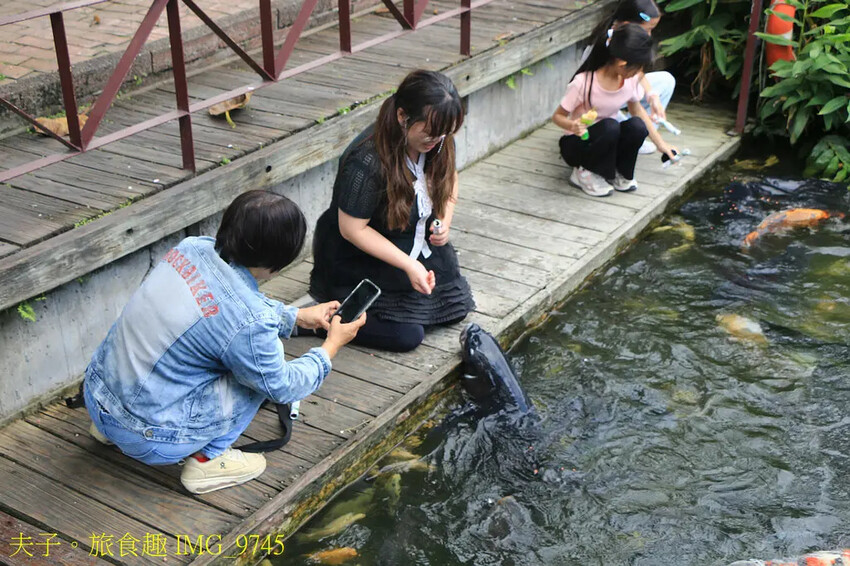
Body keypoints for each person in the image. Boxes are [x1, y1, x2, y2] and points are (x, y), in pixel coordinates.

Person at [84, 191, 365, 494]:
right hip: (151, 440)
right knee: (257, 373)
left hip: (97, 397)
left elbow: (225, 306)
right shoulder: (251, 324)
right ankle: (207, 461)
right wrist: (330, 348)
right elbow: (281, 385)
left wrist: (294, 316)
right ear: (282, 259)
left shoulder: (190, 249)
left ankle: (108, 431)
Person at [309, 69, 475, 353]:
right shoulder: (367, 160)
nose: (438, 139)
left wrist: (445, 221)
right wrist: (408, 265)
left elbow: (451, 178)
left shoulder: (440, 139)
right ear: (402, 116)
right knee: (406, 336)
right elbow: (351, 229)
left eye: (445, 132)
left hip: (413, 237)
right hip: (361, 255)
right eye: (430, 132)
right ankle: (318, 321)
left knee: (455, 308)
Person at [553, 24, 677, 197]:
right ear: (622, 63)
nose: (639, 74)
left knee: (637, 126)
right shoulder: (583, 83)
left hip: (608, 140)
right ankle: (584, 172)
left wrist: (661, 144)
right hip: (579, 142)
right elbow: (558, 116)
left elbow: (638, 112)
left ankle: (621, 172)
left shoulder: (629, 80)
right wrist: (572, 125)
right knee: (610, 126)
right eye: (637, 68)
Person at [583, 0, 676, 154]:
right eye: (648, 29)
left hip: (617, 92)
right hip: (597, 102)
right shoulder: (609, 47)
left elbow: (635, 73)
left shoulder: (625, 40)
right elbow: (635, 107)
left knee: (666, 81)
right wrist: (661, 143)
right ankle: (629, 135)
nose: (649, 35)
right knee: (616, 126)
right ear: (627, 24)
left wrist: (652, 95)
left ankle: (636, 134)